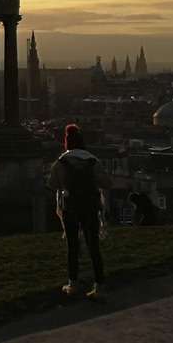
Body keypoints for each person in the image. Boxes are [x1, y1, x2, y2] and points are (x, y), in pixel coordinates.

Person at [48, 123, 112, 298]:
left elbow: (52, 184)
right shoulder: (92, 160)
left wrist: (66, 186)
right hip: (90, 206)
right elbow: (107, 183)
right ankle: (99, 285)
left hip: (70, 207)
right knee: (94, 247)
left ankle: (73, 284)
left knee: (72, 246)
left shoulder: (61, 162)